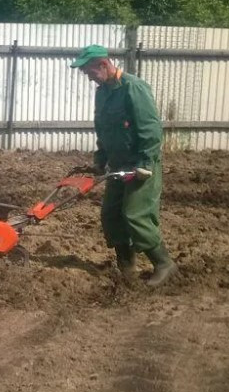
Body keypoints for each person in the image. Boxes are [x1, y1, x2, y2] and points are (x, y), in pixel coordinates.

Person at [70, 44, 178, 287]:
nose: (89, 77)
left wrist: (145, 162)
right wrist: (100, 160)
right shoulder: (103, 92)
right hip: (117, 165)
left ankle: (164, 263)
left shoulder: (133, 88)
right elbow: (104, 130)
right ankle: (126, 269)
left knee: (135, 213)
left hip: (140, 165)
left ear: (103, 64)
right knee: (111, 214)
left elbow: (150, 128)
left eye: (90, 72)